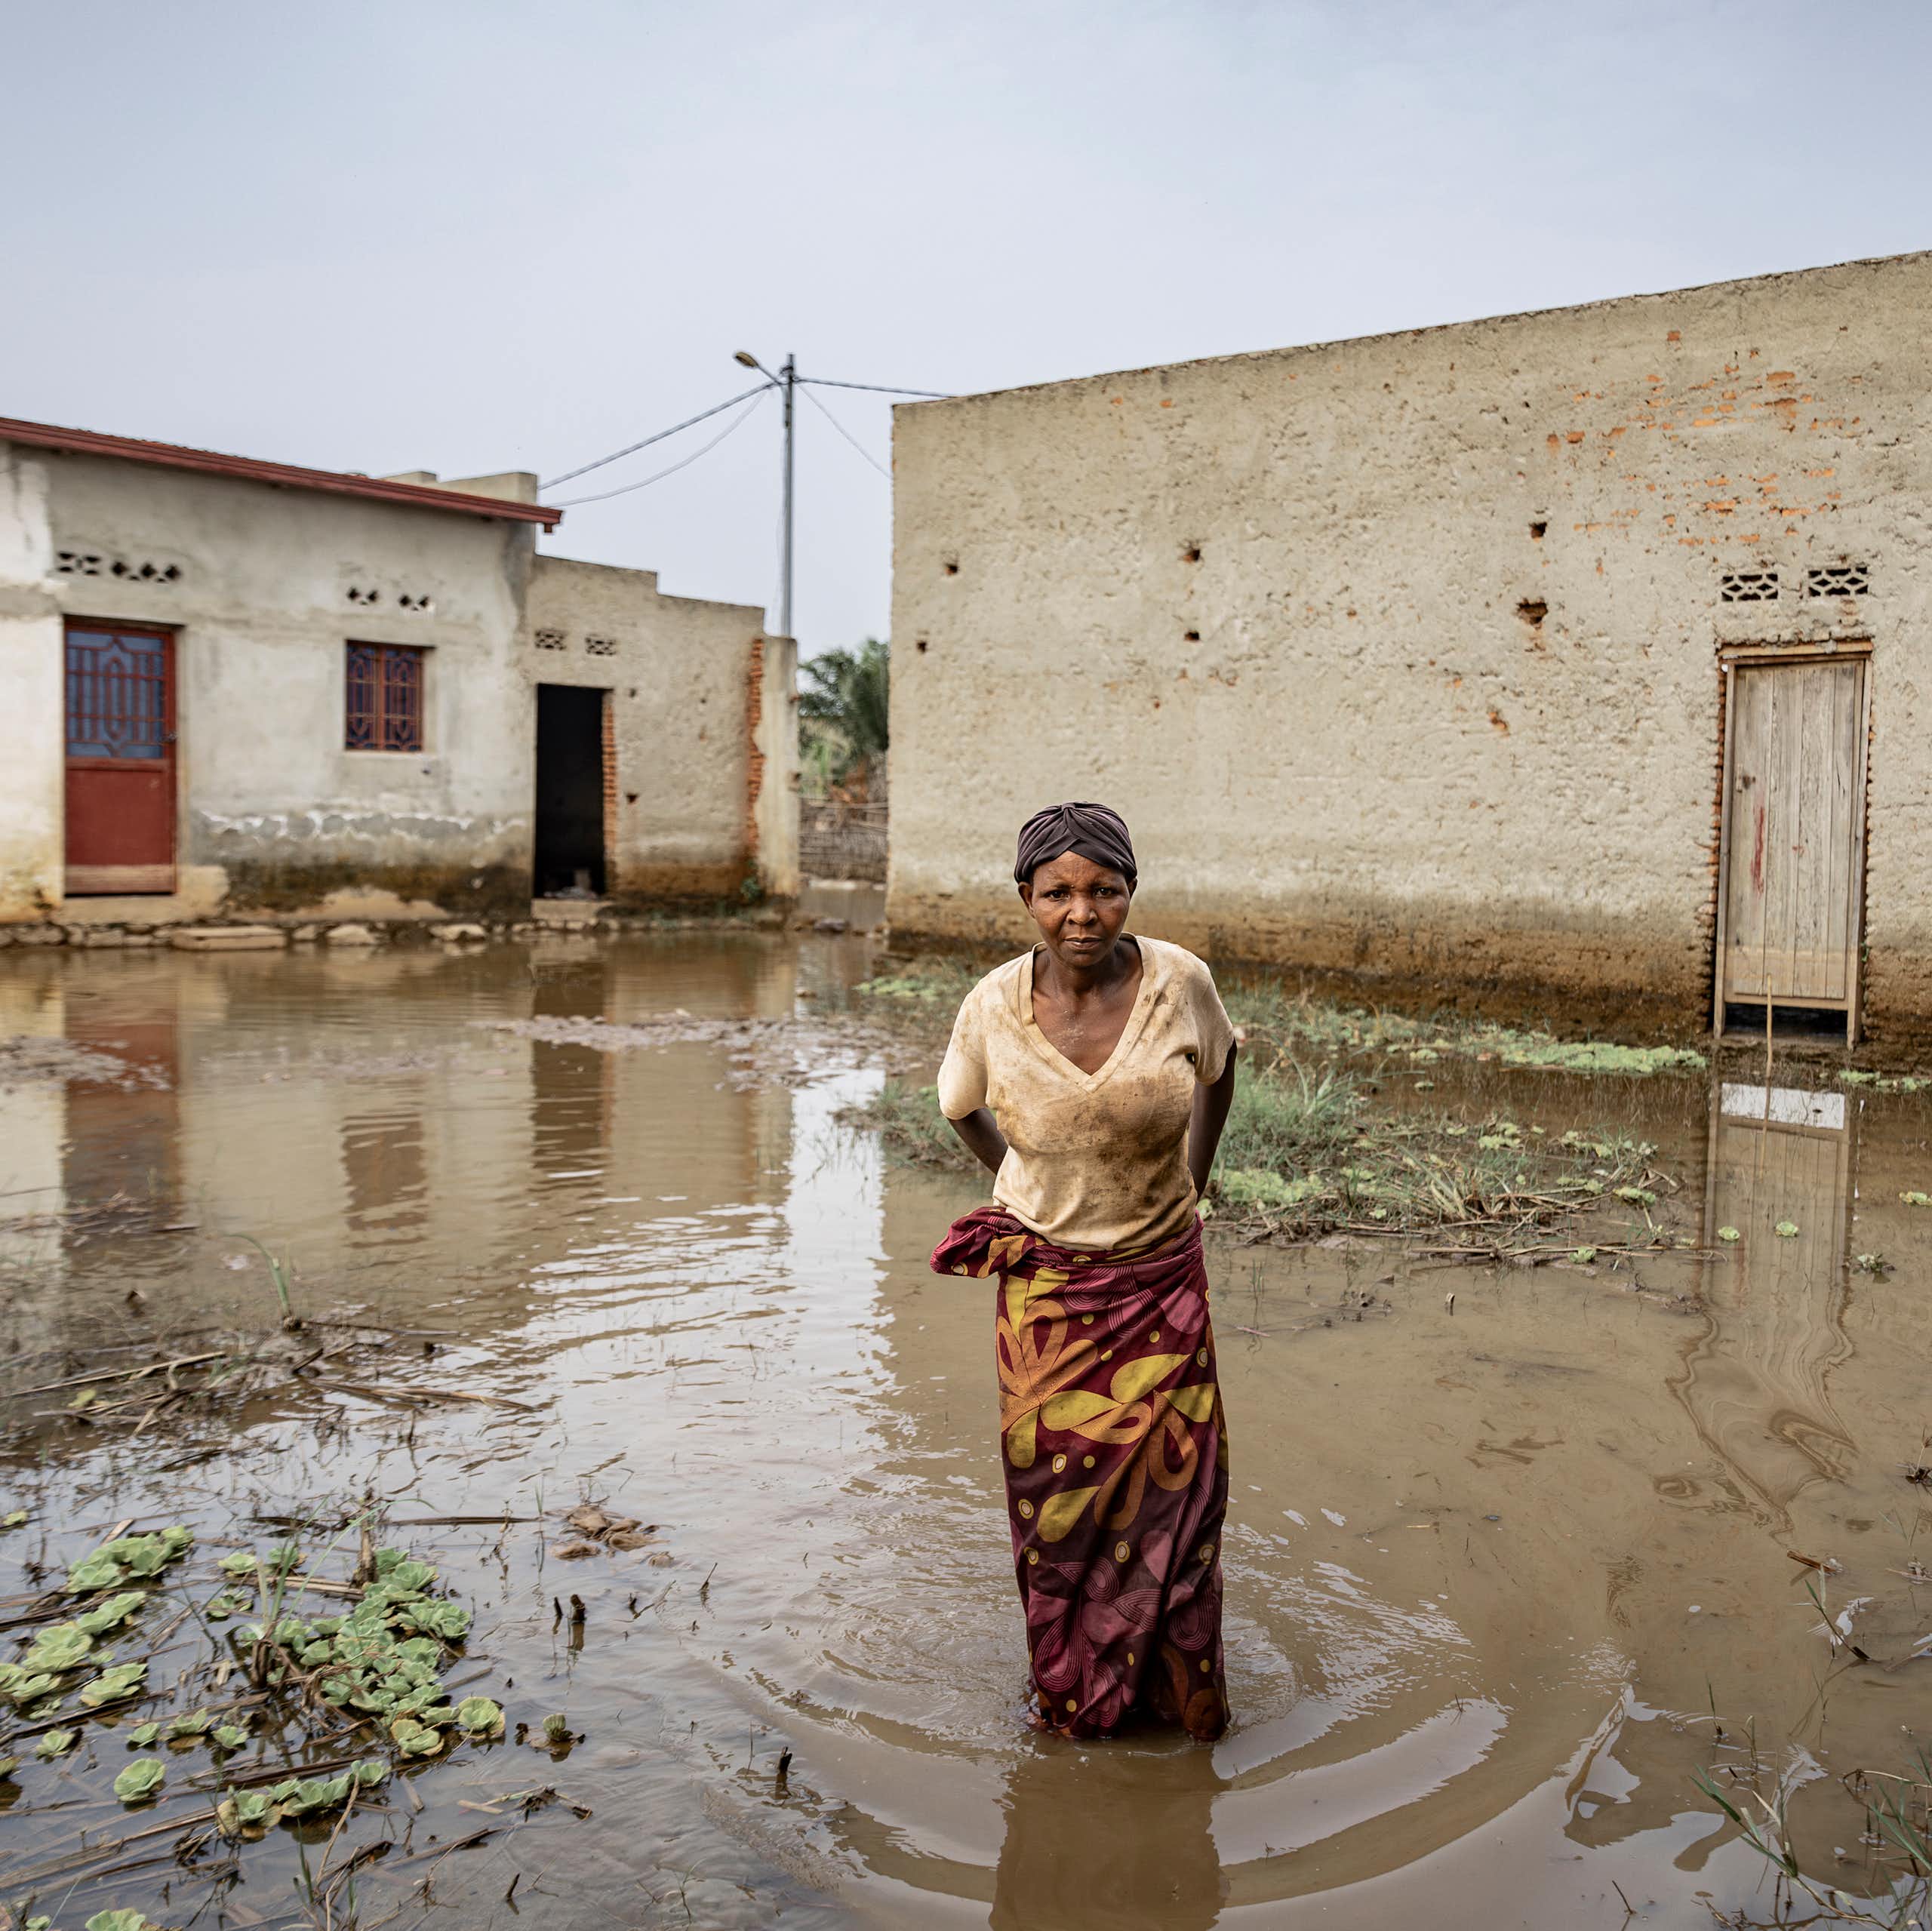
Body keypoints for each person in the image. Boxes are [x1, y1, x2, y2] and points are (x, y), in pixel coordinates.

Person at [930, 801, 1240, 1742]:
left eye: (1103, 889)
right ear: (1026, 898)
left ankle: (1178, 1703)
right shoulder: (990, 1005)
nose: (1081, 912)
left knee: (1180, 1506)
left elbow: (1221, 1072)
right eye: (1057, 892)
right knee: (1058, 1513)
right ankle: (1074, 1695)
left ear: (1128, 893)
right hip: (1050, 1302)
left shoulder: (1179, 981)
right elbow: (959, 1108)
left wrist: (1195, 1178)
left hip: (1161, 1286)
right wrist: (1020, 1186)